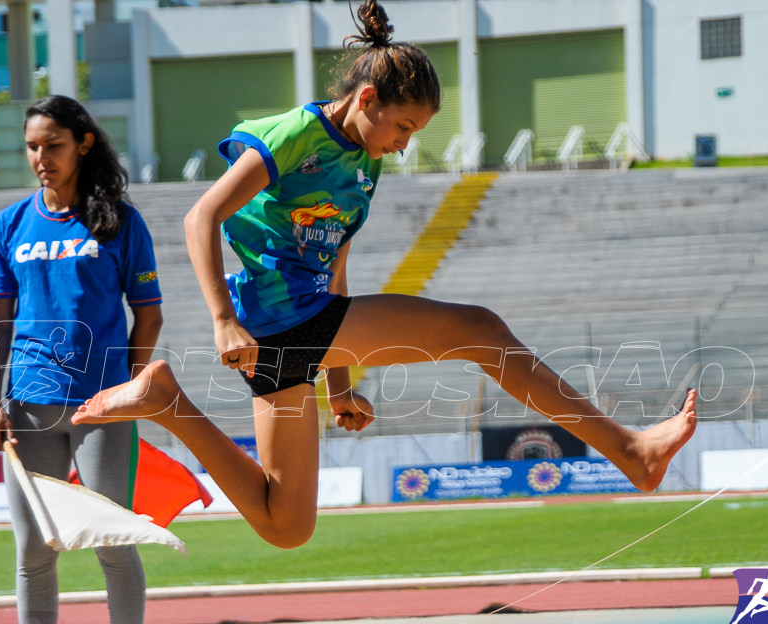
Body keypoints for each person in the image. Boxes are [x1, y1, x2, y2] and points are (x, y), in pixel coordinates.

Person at [72, 0, 697, 551]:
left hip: (292, 333)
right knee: (481, 330)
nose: (403, 144)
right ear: (367, 98)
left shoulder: (364, 162)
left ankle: (167, 403)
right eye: (403, 127)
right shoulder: (297, 135)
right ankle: (632, 452)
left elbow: (335, 266)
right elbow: (201, 216)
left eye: (415, 135)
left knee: (285, 525)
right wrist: (221, 322)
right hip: (273, 319)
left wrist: (339, 387)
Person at [0, 94, 163, 624]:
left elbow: (149, 312)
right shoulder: (8, 225)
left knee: (112, 543)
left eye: (53, 145)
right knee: (34, 549)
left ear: (83, 143)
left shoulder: (121, 222)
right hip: (28, 405)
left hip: (100, 407)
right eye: (33, 146)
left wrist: (128, 391)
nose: (42, 157)